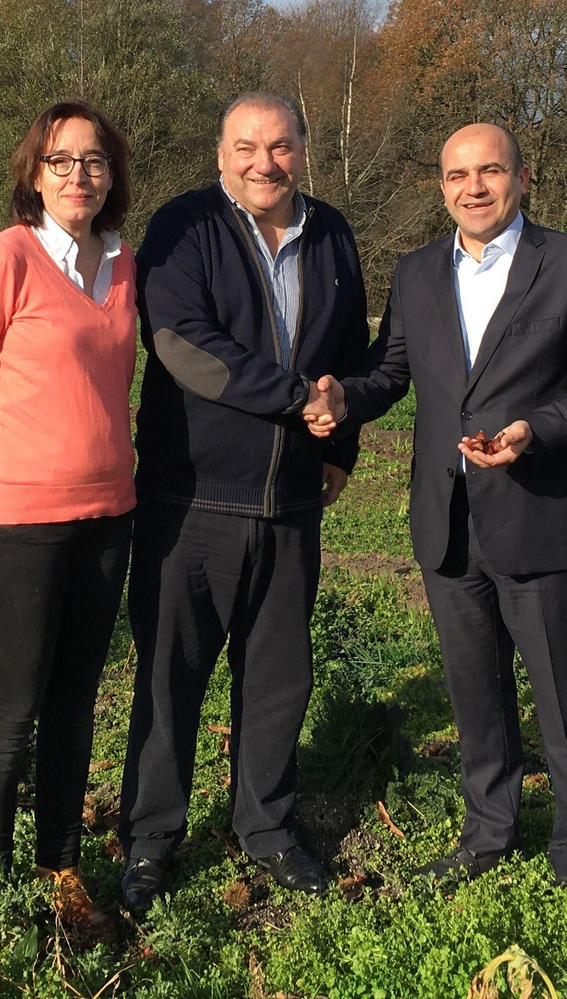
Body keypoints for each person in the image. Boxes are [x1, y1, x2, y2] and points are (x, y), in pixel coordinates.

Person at [306, 122, 567, 885]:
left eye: (489, 171)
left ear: (521, 177)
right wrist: (345, 395)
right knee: (476, 696)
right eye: (457, 175)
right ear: (441, 186)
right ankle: (489, 833)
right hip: (447, 524)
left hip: (541, 515)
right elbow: (395, 371)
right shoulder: (415, 272)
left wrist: (532, 430)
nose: (472, 187)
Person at [117, 92, 369, 916]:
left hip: (292, 500)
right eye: (248, 147)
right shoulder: (182, 226)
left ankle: (265, 828)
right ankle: (152, 839)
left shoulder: (331, 232)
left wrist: (337, 444)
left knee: (278, 680)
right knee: (169, 679)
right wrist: (298, 399)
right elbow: (185, 345)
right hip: (190, 495)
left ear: (304, 150)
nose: (267, 162)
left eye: (283, 145)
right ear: (220, 155)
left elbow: (347, 355)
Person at [0, 100, 138, 937]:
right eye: (61, 161)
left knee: (76, 701)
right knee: (11, 705)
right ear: (34, 174)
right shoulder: (4, 260)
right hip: (17, 524)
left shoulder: (123, 263)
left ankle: (59, 867)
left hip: (108, 516)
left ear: (112, 175)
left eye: (93, 161)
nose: (78, 175)